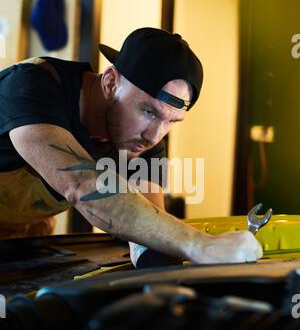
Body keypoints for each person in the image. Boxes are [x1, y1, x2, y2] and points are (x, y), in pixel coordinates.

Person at [0, 27, 262, 265]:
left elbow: (150, 233)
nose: (154, 136)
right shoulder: (32, 88)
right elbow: (80, 184)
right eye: (148, 111)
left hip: (18, 235)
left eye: (172, 121)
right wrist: (198, 244)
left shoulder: (141, 142)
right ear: (111, 81)